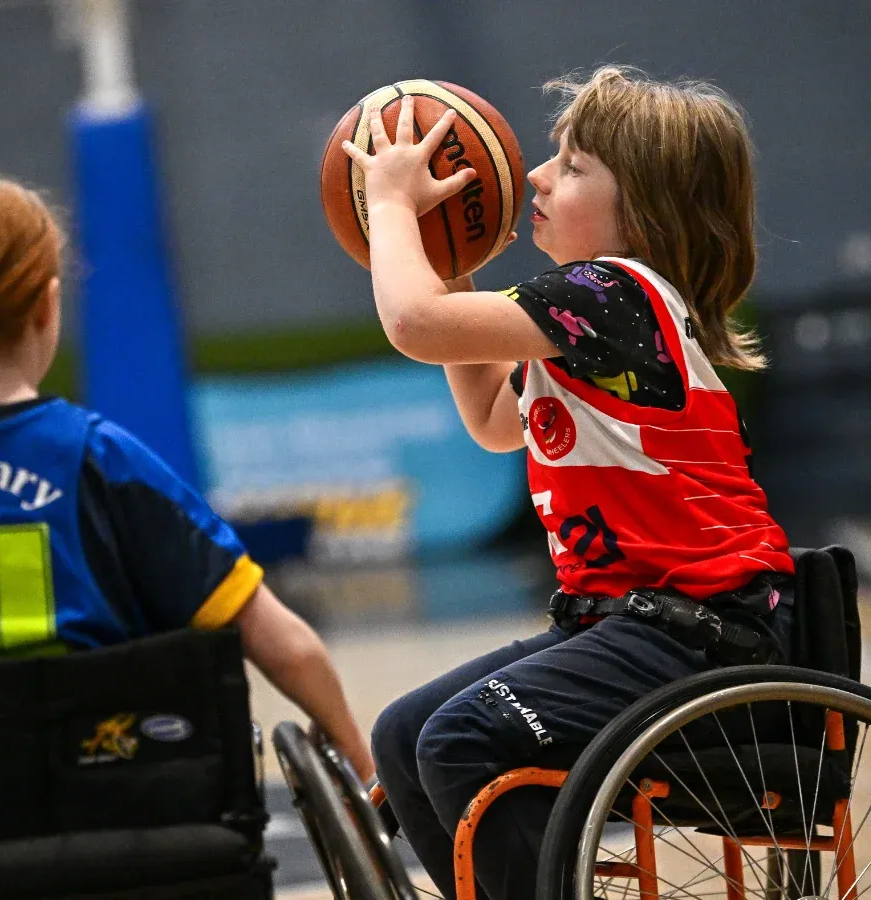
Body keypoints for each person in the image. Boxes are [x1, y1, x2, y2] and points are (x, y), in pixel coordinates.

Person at [341, 66, 797, 899]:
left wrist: (394, 204)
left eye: (575, 165)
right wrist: (449, 263)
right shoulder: (598, 325)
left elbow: (412, 325)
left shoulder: (610, 293)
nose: (539, 178)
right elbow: (492, 418)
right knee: (405, 735)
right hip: (636, 624)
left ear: (646, 210)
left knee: (457, 740)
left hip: (702, 633)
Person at [0, 164, 374, 782]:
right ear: (47, 307)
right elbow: (283, 645)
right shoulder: (99, 460)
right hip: (115, 797)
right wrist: (355, 755)